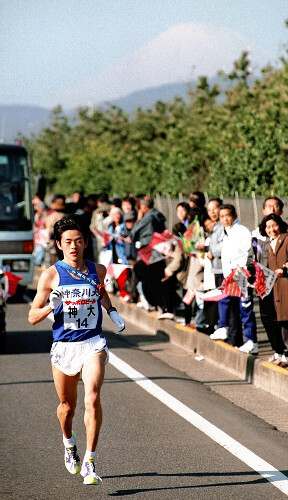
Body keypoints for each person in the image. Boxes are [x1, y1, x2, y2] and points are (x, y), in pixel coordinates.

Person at [28, 214, 125, 485]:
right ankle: (69, 444)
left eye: (79, 241)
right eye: (68, 241)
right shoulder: (50, 275)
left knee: (92, 398)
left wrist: (112, 311)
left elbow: (100, 290)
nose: (74, 246)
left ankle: (90, 462)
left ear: (85, 243)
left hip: (93, 343)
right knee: (67, 407)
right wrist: (52, 304)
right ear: (59, 244)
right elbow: (32, 317)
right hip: (64, 347)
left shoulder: (99, 269)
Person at [210, 204, 258, 353]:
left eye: (227, 216)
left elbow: (248, 252)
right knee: (228, 304)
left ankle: (251, 341)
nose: (224, 219)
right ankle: (223, 327)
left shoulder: (241, 231)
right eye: (222, 217)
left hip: (241, 276)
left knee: (245, 309)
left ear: (235, 216)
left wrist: (241, 271)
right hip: (229, 276)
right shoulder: (226, 231)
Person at [251, 197, 287, 364]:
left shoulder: (285, 237)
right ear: (263, 210)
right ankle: (278, 351)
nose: (272, 209)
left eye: (276, 206)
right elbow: (252, 259)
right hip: (265, 285)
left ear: (281, 211)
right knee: (269, 319)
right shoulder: (257, 237)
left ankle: (284, 352)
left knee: (284, 319)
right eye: (269, 206)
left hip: (282, 283)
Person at [259, 213, 288, 363]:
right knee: (281, 320)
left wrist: (285, 268)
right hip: (276, 287)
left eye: (274, 225)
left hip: (285, 284)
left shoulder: (286, 239)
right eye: (268, 227)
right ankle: (284, 353)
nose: (272, 229)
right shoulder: (268, 244)